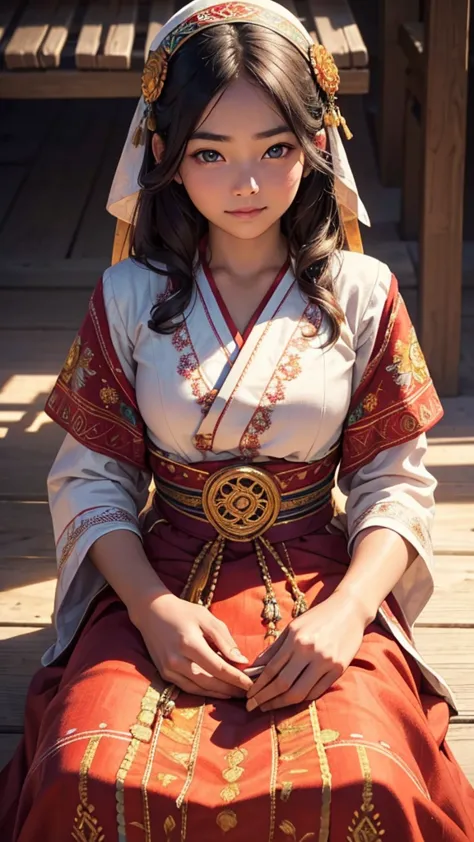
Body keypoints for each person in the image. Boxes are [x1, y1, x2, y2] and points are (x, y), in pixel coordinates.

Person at [1, 0, 473, 839]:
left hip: (324, 574)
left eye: (276, 149)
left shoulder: (365, 295)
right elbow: (91, 479)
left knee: (370, 773)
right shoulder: (127, 297)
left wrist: (347, 614)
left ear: (318, 145)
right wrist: (149, 609)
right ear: (164, 156)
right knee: (87, 767)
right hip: (160, 570)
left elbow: (394, 482)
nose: (245, 183)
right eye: (209, 153)